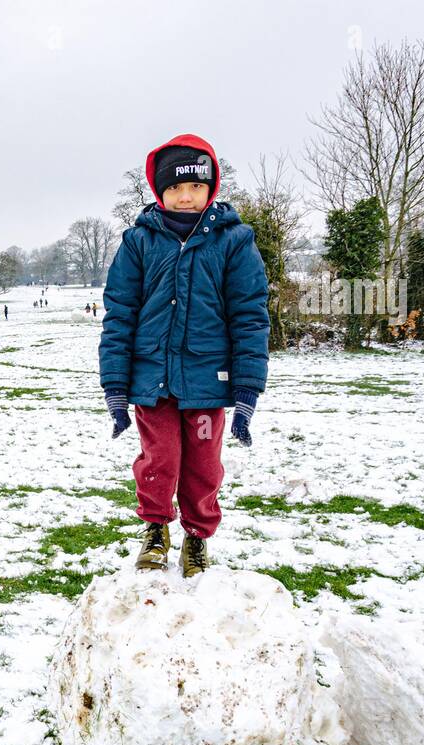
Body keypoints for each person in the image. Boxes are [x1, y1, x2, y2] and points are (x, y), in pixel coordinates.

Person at [99, 133, 269, 578]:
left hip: (207, 383)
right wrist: (115, 386)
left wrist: (247, 387)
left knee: (204, 464)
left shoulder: (234, 241)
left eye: (194, 187)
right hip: (151, 380)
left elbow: (249, 317)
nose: (185, 196)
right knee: (160, 460)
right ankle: (155, 530)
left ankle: (197, 537)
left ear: (211, 188)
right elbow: (120, 315)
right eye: (174, 188)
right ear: (160, 192)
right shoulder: (138, 243)